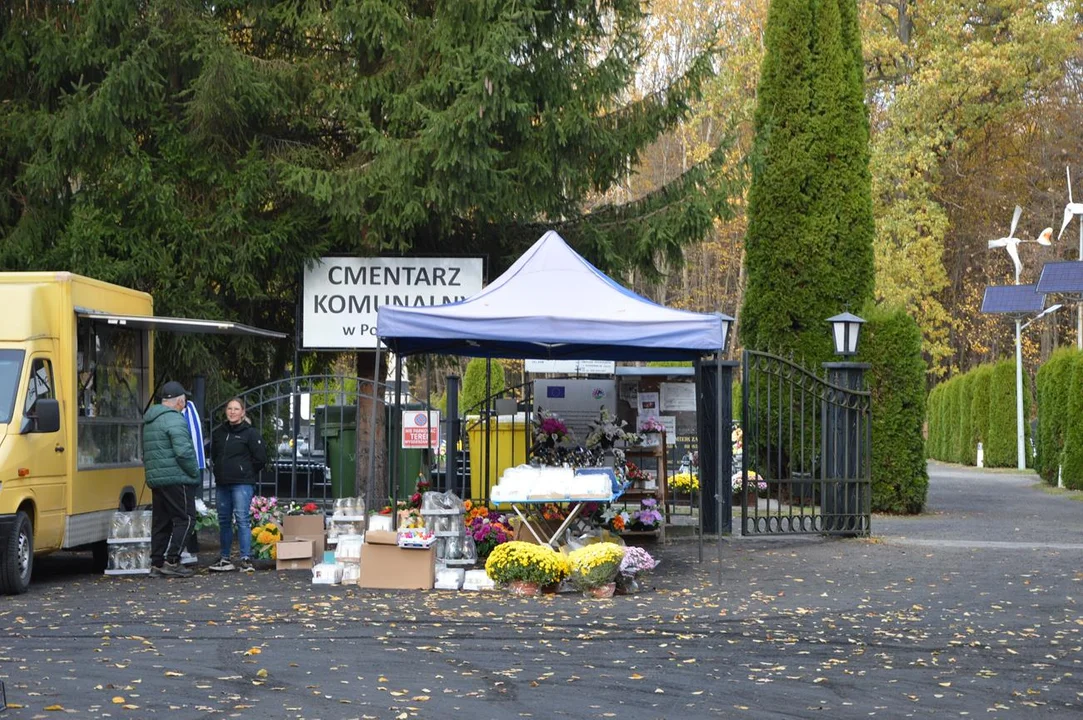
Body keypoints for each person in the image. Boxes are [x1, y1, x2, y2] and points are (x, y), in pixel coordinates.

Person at [143, 381, 201, 578]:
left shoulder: (151, 419)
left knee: (161, 522)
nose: (184, 405)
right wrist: (194, 472)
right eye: (184, 401)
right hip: (177, 477)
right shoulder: (175, 420)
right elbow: (183, 452)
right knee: (186, 519)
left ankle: (156, 563)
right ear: (180, 401)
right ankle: (172, 561)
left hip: (157, 478)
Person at [209, 397, 267, 572]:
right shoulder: (219, 433)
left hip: (242, 483)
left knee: (242, 519)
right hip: (223, 483)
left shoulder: (250, 434)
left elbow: (261, 459)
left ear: (243, 412)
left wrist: (245, 471)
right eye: (229, 409)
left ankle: (246, 558)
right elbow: (214, 455)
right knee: (224, 520)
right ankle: (225, 558)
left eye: (236, 409)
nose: (232, 412)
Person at [180, 397, 206, 565]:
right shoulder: (190, 411)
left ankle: (187, 548)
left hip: (182, 472)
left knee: (185, 511)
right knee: (185, 511)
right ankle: (185, 549)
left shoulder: (188, 410)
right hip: (183, 472)